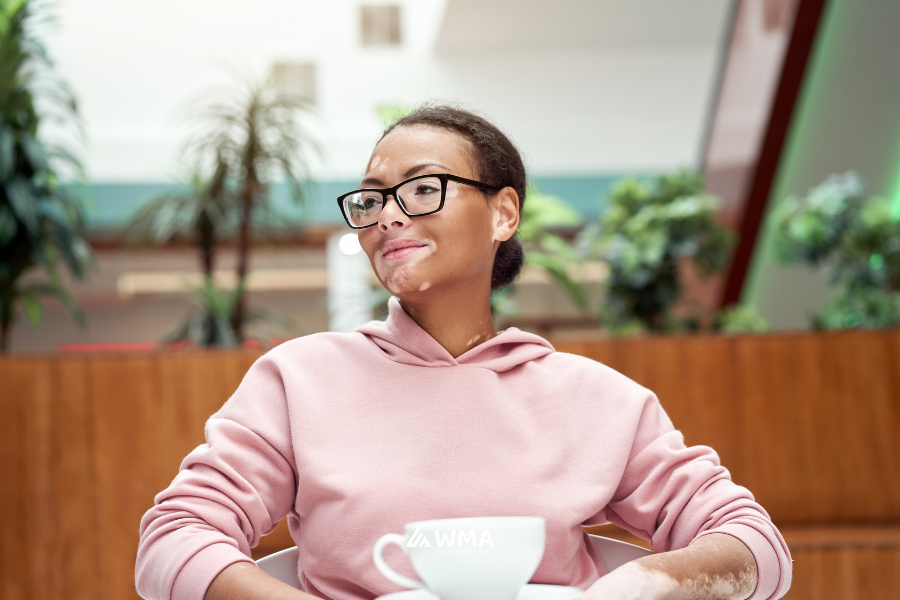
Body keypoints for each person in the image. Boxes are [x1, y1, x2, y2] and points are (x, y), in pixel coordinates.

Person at [135, 106, 792, 600]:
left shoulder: (599, 400)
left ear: (503, 214)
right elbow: (173, 538)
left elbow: (756, 547)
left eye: (423, 189)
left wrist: (642, 582)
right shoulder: (297, 381)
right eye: (372, 199)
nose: (388, 216)